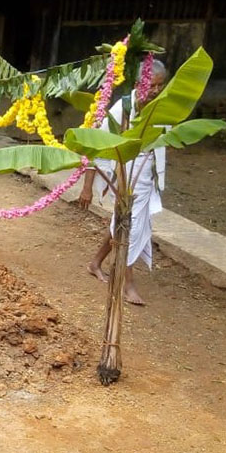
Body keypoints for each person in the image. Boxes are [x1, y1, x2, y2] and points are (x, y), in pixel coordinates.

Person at [78, 60, 169, 306]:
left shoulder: (163, 107)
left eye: (161, 86)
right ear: (141, 84)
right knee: (130, 226)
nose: (157, 91)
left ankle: (95, 263)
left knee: (124, 224)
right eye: (153, 85)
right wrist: (87, 186)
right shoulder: (123, 108)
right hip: (126, 177)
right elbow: (96, 145)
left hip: (145, 177)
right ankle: (127, 283)